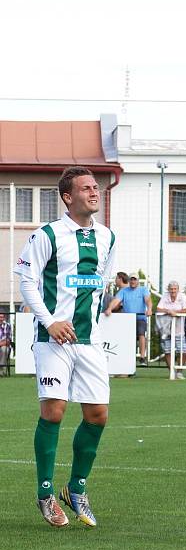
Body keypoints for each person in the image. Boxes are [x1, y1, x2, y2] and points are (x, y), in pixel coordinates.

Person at [13, 166, 116, 527]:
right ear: (68, 197)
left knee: (97, 415)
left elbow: (104, 281)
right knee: (54, 411)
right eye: (86, 188)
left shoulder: (107, 237)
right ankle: (45, 494)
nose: (94, 192)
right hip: (52, 339)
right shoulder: (48, 235)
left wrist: (96, 317)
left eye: (96, 187)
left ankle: (75, 489)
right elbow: (26, 280)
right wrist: (50, 321)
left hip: (89, 341)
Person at [104, 274, 152, 364]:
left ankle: (142, 357)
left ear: (138, 281)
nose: (133, 281)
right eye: (131, 280)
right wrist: (109, 308)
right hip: (127, 320)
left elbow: (148, 300)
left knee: (141, 334)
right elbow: (116, 301)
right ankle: (127, 358)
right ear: (129, 281)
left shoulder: (143, 289)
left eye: (134, 280)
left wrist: (149, 309)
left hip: (140, 318)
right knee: (127, 339)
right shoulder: (124, 291)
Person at [156, 281, 186, 379]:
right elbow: (158, 308)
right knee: (167, 350)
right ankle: (172, 372)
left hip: (179, 329)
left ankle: (179, 372)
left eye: (175, 289)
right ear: (168, 289)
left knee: (184, 350)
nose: (173, 291)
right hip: (165, 329)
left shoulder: (183, 296)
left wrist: (175, 312)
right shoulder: (165, 296)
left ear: (178, 289)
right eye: (171, 289)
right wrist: (168, 311)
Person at [0, 312, 11, 377]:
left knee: (3, 349)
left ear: (4, 318)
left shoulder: (7, 325)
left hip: (4, 345)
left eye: (1, 317)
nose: (0, 319)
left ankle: (1, 371)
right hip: (2, 343)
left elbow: (8, 340)